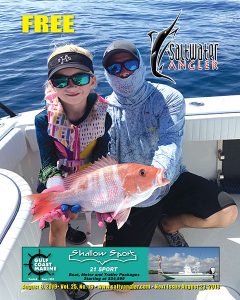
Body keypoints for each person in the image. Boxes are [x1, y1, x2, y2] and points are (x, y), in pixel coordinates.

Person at [100, 40, 238, 248]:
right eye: (115, 67)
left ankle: (170, 224)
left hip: (168, 179)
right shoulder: (101, 109)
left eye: (129, 64)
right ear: (107, 73)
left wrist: (158, 175)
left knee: (227, 213)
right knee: (122, 277)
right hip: (130, 194)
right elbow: (105, 158)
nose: (123, 72)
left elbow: (170, 140)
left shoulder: (168, 97)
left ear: (141, 65)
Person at [34, 43, 111, 300]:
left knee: (106, 216)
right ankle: (66, 276)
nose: (71, 86)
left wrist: (104, 190)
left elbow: (101, 155)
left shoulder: (105, 114)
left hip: (90, 178)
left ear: (92, 81)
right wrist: (57, 190)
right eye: (60, 80)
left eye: (79, 77)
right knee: (58, 229)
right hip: (58, 180)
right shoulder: (43, 119)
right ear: (51, 86)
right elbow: (47, 163)